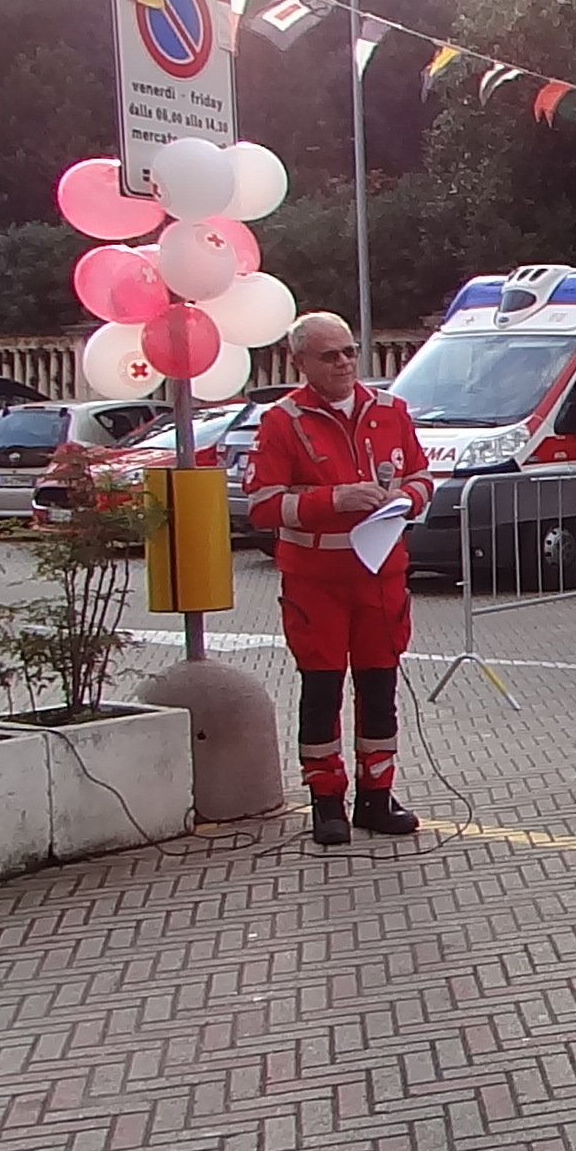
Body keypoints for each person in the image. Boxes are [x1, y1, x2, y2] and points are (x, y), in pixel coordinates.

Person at [245, 311, 437, 847]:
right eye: (330, 355)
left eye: (350, 351)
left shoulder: (390, 411)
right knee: (322, 690)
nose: (345, 363)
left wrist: (408, 498)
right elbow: (260, 505)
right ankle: (326, 803)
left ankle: (377, 796)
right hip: (316, 582)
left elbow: (423, 475)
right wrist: (334, 499)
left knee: (380, 689)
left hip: (381, 576)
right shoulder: (282, 422)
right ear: (300, 362)